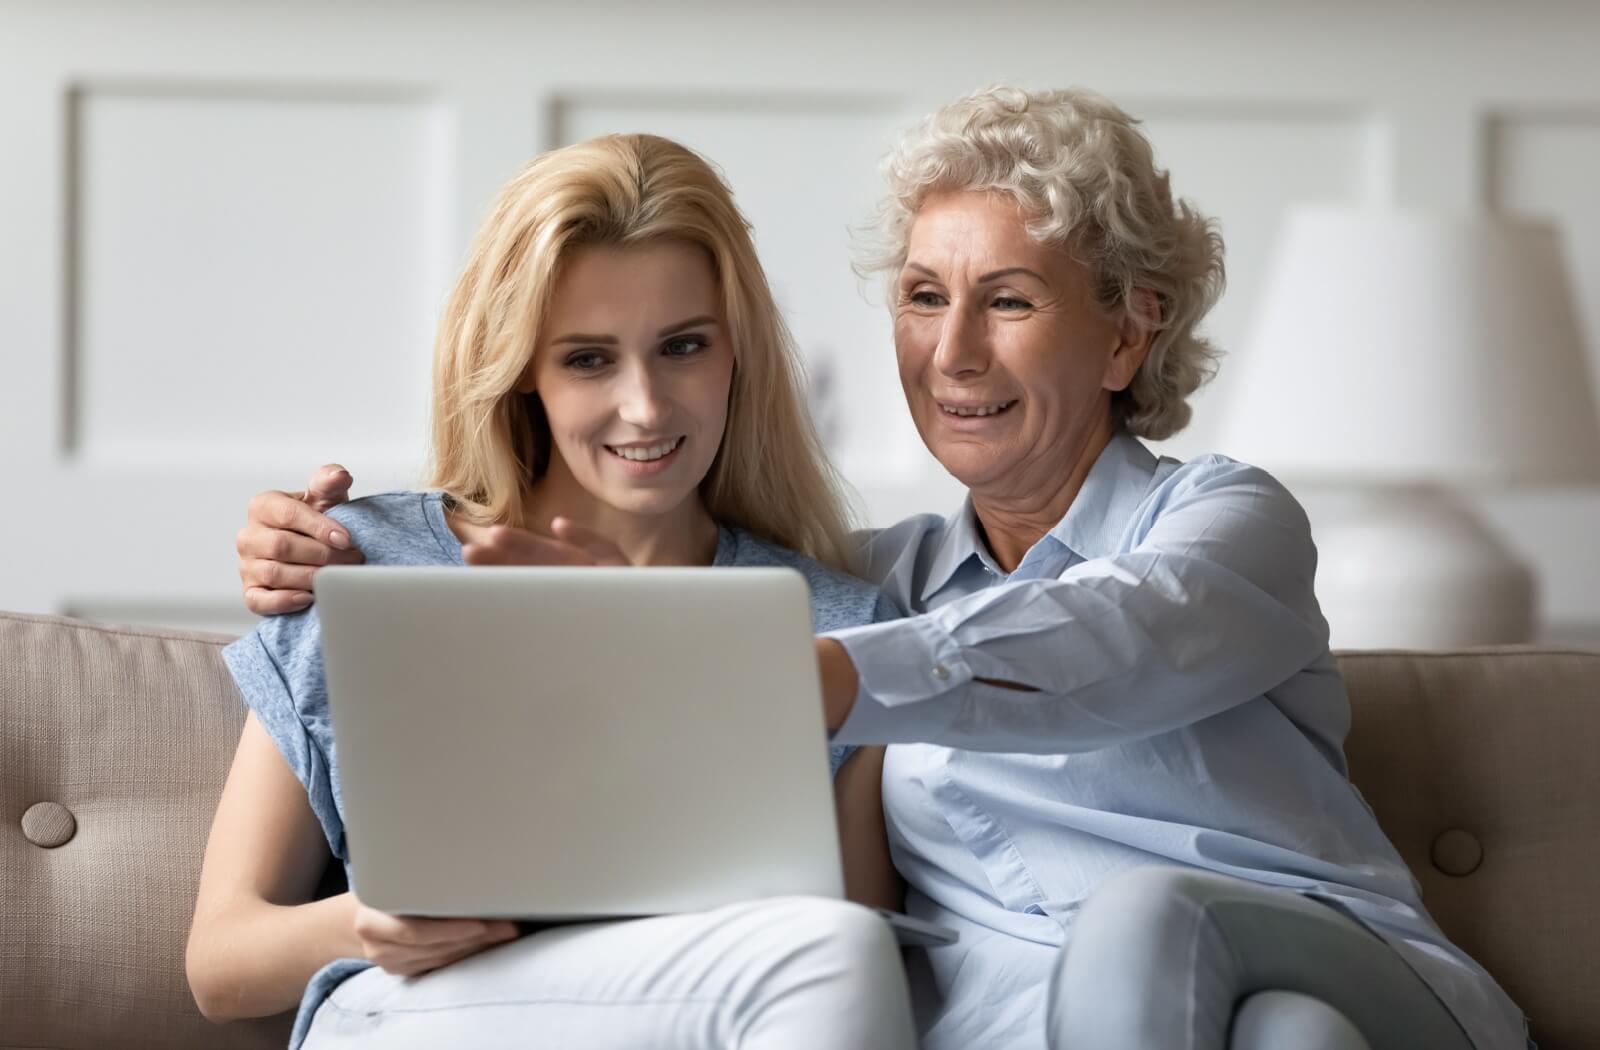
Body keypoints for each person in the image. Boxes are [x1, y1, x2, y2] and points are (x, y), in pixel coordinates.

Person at [236, 88, 1529, 1049]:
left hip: (1341, 962)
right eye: (922, 296)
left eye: (1010, 300)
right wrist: (350, 554)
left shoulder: (1223, 524)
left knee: (1188, 948)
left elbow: (1118, 636)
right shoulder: (861, 582)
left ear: (1128, 333)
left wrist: (797, 673)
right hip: (1069, 1025)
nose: (952, 352)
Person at [187, 132, 919, 1050]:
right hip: (407, 1012)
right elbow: (219, 963)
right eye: (587, 359)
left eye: (683, 347)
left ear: (740, 355)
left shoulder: (842, 627)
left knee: (840, 951)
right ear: (523, 371)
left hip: (687, 1016)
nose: (646, 406)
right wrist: (371, 925)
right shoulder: (356, 564)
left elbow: (854, 952)